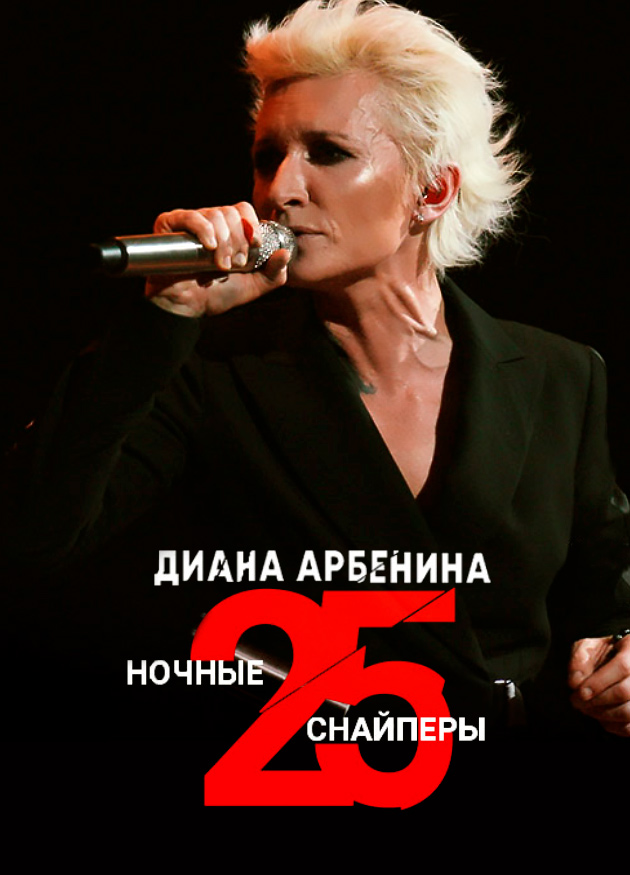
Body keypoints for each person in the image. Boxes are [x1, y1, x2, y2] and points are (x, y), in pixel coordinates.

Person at [7, 0, 630, 754]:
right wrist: (167, 315)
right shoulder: (206, 366)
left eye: (328, 153)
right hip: (302, 774)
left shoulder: (560, 374)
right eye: (268, 156)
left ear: (432, 191)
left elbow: (604, 600)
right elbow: (31, 543)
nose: (280, 189)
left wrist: (621, 661)